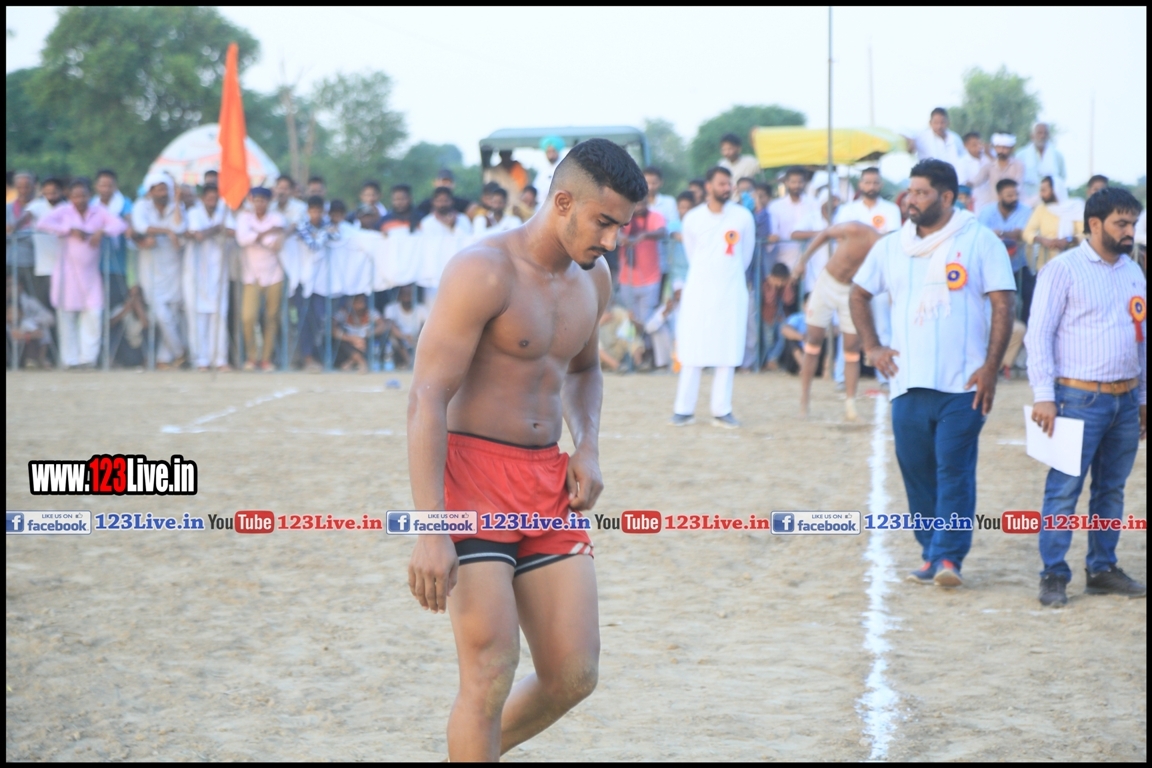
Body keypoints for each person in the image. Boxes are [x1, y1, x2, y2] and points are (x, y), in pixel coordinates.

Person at [405, 138, 642, 762]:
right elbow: (426, 396)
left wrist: (587, 447)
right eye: (604, 222)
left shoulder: (594, 279)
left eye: (621, 227)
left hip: (545, 481)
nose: (612, 240)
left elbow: (585, 371)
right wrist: (431, 529)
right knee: (490, 669)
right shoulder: (483, 270)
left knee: (573, 673)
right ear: (563, 202)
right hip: (471, 480)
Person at [850, 159, 1015, 588]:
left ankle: (948, 558)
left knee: (953, 470)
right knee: (916, 470)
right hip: (906, 381)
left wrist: (991, 368)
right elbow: (858, 293)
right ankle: (931, 552)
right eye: (910, 191)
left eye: (921, 193)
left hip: (964, 383)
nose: (911, 200)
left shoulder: (980, 240)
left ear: (947, 197)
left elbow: (1003, 304)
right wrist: (872, 347)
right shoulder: (891, 246)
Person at [1025, 188, 1146, 607]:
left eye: (1133, 223)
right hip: (1075, 399)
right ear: (1094, 224)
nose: (1130, 231)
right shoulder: (1062, 270)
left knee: (1111, 490)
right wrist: (1044, 395)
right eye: (1121, 223)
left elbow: (1142, 339)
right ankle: (1053, 574)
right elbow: (1038, 335)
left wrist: (1143, 398)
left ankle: (1102, 568)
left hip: (1125, 401)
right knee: (1063, 490)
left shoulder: (1134, 272)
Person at [671, 166, 756, 428]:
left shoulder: (743, 216)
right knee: (692, 348)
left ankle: (721, 409)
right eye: (721, 183)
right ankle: (683, 409)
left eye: (728, 183)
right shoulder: (693, 218)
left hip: (731, 291)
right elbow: (691, 253)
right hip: (699, 291)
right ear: (708, 186)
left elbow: (746, 255)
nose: (726, 188)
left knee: (727, 349)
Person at [793, 221, 884, 420]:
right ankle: (804, 401)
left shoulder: (882, 254)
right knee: (813, 340)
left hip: (852, 291)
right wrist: (803, 260)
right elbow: (826, 234)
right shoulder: (856, 230)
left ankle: (850, 406)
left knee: (851, 348)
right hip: (827, 283)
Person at [35, 178, 128, 368]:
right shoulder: (64, 211)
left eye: (83, 195)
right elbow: (42, 223)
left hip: (91, 275)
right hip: (67, 273)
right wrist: (68, 229)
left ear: (89, 195)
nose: (80, 199)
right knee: (67, 316)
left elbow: (120, 225)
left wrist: (102, 231)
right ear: (69, 196)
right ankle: (70, 360)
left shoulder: (98, 211)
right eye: (76, 196)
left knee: (93, 314)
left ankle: (88, 359)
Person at [977, 179, 1032, 375]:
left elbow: (1024, 234)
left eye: (1016, 194)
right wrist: (1009, 234)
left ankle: (1022, 352)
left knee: (1028, 300)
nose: (1013, 198)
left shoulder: (1026, 211)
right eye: (1009, 195)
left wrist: (999, 233)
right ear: (999, 195)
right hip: (990, 267)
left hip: (1018, 266)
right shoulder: (986, 212)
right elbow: (982, 235)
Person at [132, 173, 187, 368]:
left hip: (173, 266)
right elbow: (140, 226)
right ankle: (180, 351)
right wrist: (167, 231)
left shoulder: (176, 206)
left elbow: (181, 227)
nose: (163, 193)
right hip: (150, 268)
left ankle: (165, 358)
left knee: (173, 314)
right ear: (151, 191)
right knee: (161, 315)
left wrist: (178, 201)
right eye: (159, 189)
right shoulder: (141, 206)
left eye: (166, 189)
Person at [183, 183, 235, 371]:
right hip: (196, 272)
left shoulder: (224, 212)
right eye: (209, 197)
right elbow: (197, 235)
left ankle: (220, 359)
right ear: (203, 198)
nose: (212, 201)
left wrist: (215, 230)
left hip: (218, 272)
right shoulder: (194, 213)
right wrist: (216, 229)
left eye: (215, 197)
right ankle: (201, 359)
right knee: (197, 316)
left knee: (219, 315)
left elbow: (233, 232)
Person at [234, 187, 286, 371]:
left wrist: (255, 234)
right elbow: (242, 239)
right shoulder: (244, 217)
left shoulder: (277, 218)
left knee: (271, 317)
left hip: (274, 274)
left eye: (263, 200)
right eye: (256, 200)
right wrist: (266, 232)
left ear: (268, 202)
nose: (259, 204)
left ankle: (266, 358)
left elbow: (276, 245)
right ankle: (252, 356)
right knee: (248, 317)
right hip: (251, 275)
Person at [617, 194, 667, 345]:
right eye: (637, 205)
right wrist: (621, 237)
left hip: (650, 279)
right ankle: (634, 351)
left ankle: (646, 349)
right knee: (630, 317)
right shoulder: (623, 217)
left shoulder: (655, 216)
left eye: (643, 204)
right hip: (627, 279)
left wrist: (645, 235)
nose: (640, 207)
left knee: (647, 318)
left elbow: (663, 232)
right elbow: (614, 231)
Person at [1023, 176, 1083, 274]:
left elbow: (1085, 234)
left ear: (1055, 190)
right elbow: (1027, 232)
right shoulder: (1041, 209)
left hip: (1072, 264)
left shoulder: (1074, 207)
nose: (1041, 194)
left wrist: (1068, 240)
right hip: (1046, 264)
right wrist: (1043, 240)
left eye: (1044, 190)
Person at [768, 168, 823, 271]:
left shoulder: (814, 204)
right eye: (793, 182)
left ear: (805, 183)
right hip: (783, 259)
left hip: (811, 259)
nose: (797, 185)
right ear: (786, 183)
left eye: (800, 182)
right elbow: (773, 232)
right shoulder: (775, 206)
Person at [92, 169, 133, 308]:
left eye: (109, 185)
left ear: (115, 186)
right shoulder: (91, 204)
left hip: (118, 263)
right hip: (95, 261)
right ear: (96, 186)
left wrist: (129, 227)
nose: (106, 189)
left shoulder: (124, 203)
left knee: (116, 300)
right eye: (102, 185)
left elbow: (128, 220)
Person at [835, 168, 901, 234]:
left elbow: (892, 235)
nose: (871, 187)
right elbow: (841, 233)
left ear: (881, 185)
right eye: (867, 183)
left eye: (875, 183)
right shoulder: (848, 209)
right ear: (860, 184)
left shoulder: (892, 209)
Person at [970, 133, 1025, 211]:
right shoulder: (989, 166)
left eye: (1005, 148)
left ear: (1012, 148)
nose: (1001, 151)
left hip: (1013, 206)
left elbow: (1018, 186)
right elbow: (976, 181)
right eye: (998, 147)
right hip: (994, 208)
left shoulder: (1018, 165)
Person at [332, 292, 386, 372]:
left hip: (365, 339)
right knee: (342, 341)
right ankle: (362, 362)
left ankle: (352, 362)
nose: (361, 304)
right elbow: (331, 328)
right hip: (349, 340)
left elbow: (383, 325)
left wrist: (368, 334)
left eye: (362, 301)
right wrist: (350, 339)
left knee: (366, 342)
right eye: (357, 301)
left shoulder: (370, 312)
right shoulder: (343, 312)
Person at [1017, 122, 1066, 207]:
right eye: (1039, 133)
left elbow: (1061, 179)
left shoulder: (1057, 156)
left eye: (1045, 133)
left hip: (1051, 204)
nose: (1042, 136)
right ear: (1032, 136)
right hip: (1027, 203)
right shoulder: (1021, 155)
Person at [383, 283, 427, 368]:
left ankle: (417, 364)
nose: (407, 296)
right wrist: (405, 337)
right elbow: (390, 325)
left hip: (418, 339)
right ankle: (410, 362)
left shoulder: (422, 309)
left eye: (409, 293)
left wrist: (417, 338)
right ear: (399, 295)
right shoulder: (391, 308)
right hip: (400, 338)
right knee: (394, 337)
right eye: (404, 293)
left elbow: (425, 326)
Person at [534, 136, 566, 200]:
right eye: (548, 152)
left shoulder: (565, 168)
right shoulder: (542, 169)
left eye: (553, 151)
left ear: (558, 151)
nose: (551, 154)